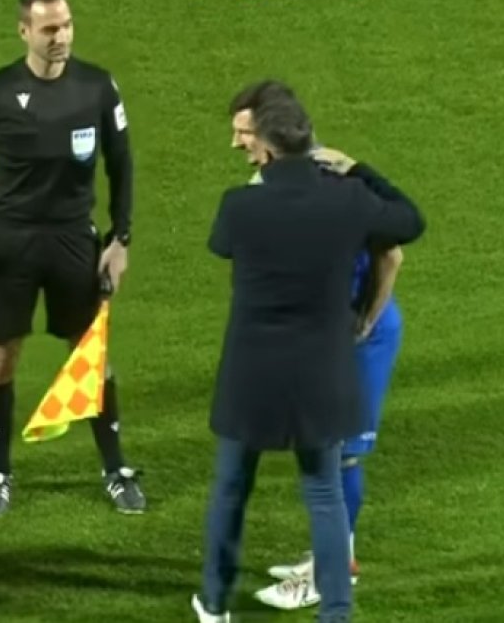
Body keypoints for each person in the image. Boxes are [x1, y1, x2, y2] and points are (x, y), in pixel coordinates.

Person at [191, 82, 425, 623]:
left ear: (270, 149)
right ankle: (335, 613)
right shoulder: (350, 201)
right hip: (323, 369)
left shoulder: (240, 206)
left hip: (252, 374)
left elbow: (223, 245)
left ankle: (215, 606)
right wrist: (359, 169)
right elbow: (410, 222)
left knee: (232, 489)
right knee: (324, 492)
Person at [0, 0, 142, 516]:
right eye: (50, 28)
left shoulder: (97, 87)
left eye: (67, 25)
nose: (61, 37)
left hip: (74, 239)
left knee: (90, 356)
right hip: (11, 241)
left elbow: (122, 165)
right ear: (24, 31)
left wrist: (120, 238)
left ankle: (115, 468)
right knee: (1, 357)